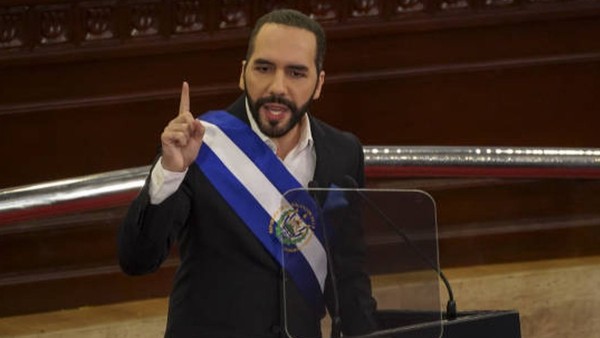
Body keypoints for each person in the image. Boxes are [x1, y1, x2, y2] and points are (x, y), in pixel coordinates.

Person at [118, 9, 377, 338]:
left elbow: (349, 275)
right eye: (264, 68)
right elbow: (136, 259)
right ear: (243, 74)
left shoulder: (343, 153)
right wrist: (170, 171)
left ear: (318, 84)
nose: (277, 87)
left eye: (296, 73)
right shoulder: (200, 144)